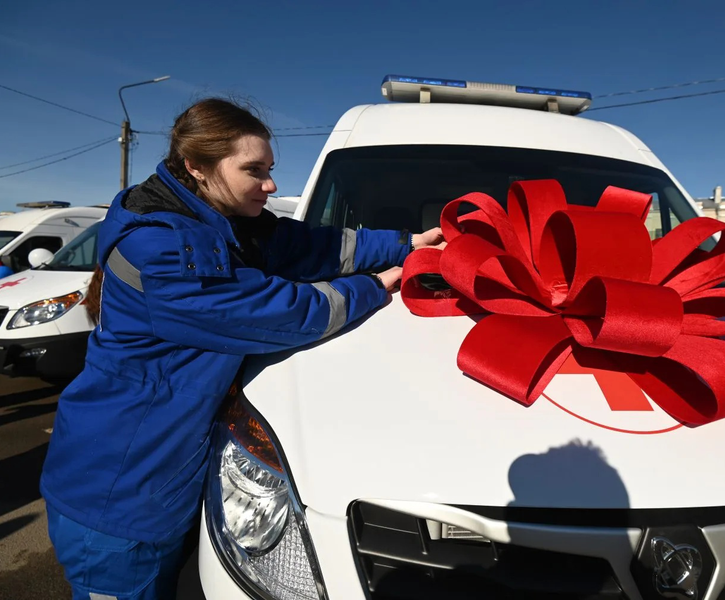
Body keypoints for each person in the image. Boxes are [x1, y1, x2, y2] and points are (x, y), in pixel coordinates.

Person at [40, 97, 443, 600]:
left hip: (161, 485)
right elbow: (282, 312)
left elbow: (314, 247)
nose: (271, 185)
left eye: (270, 170)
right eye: (254, 171)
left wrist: (410, 243)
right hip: (119, 497)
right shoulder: (162, 249)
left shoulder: (221, 225)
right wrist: (376, 288)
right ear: (197, 167)